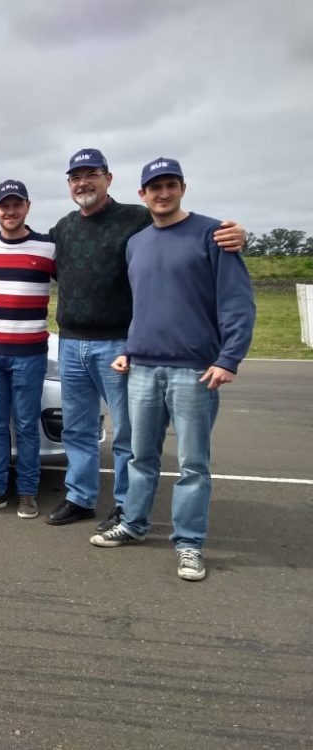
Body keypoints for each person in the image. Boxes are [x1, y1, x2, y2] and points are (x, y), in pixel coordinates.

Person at [0, 149, 244, 531]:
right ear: (69, 184)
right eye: (75, 177)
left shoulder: (135, 217)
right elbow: (21, 252)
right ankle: (80, 498)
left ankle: (124, 506)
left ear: (108, 179)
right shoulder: (63, 229)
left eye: (91, 175)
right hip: (70, 342)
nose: (83, 182)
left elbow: (177, 223)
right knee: (78, 429)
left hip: (118, 344)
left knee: (127, 433)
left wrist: (233, 234)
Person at [89, 158, 255, 582]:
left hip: (194, 371)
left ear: (182, 187)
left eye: (170, 185)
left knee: (193, 465)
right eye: (154, 187)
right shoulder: (137, 242)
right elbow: (142, 305)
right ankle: (134, 523)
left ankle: (189, 544)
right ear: (142, 195)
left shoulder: (213, 234)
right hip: (142, 368)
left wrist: (228, 358)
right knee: (141, 457)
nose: (162, 193)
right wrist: (129, 348)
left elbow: (236, 302)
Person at [0, 180, 55, 520]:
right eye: (4, 205)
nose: (10, 211)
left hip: (29, 354)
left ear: (27, 207)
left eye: (17, 205)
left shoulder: (49, 248)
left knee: (27, 425)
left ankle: (28, 493)